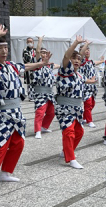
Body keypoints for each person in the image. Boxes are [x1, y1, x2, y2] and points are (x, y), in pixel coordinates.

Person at [0, 27, 51, 182]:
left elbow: (27, 66)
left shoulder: (11, 65)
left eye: (6, 48)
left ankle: (5, 172)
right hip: (2, 113)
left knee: (18, 142)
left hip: (16, 111)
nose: (4, 51)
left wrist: (42, 63)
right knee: (1, 144)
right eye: (1, 48)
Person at [55, 36, 97, 169]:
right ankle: (71, 158)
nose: (77, 61)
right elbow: (66, 56)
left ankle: (66, 151)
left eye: (79, 59)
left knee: (79, 132)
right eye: (74, 59)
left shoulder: (79, 75)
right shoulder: (65, 71)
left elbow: (86, 80)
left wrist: (93, 81)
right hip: (64, 108)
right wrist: (76, 43)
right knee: (68, 131)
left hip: (77, 109)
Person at [31, 35, 59, 139]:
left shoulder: (50, 65)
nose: (43, 54)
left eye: (45, 52)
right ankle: (37, 130)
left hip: (49, 93)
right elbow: (37, 51)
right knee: (40, 112)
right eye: (42, 52)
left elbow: (59, 65)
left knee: (52, 112)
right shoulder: (38, 63)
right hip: (40, 93)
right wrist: (40, 40)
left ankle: (44, 127)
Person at [79, 41, 105, 128]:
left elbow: (95, 62)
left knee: (92, 104)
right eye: (85, 50)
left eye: (88, 50)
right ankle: (89, 121)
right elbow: (81, 54)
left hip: (92, 87)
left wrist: (101, 61)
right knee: (88, 104)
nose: (87, 51)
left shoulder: (90, 62)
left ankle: (84, 117)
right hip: (85, 87)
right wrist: (86, 44)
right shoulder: (81, 61)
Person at [22, 37, 36, 101]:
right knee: (29, 83)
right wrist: (33, 56)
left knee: (35, 82)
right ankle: (30, 96)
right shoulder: (25, 50)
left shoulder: (35, 50)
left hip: (35, 68)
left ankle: (35, 95)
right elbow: (27, 59)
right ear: (27, 43)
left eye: (31, 41)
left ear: (33, 42)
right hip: (29, 69)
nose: (30, 43)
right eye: (28, 42)